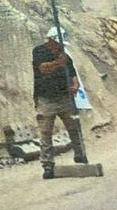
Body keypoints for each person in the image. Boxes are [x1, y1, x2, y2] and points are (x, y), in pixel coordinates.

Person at [32, 26, 87, 179]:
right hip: (46, 99)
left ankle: (80, 154)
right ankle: (48, 165)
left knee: (74, 128)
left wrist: (75, 85)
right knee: (45, 133)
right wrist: (58, 62)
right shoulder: (39, 52)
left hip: (64, 98)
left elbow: (73, 74)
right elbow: (43, 68)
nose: (61, 46)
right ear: (52, 41)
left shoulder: (65, 55)